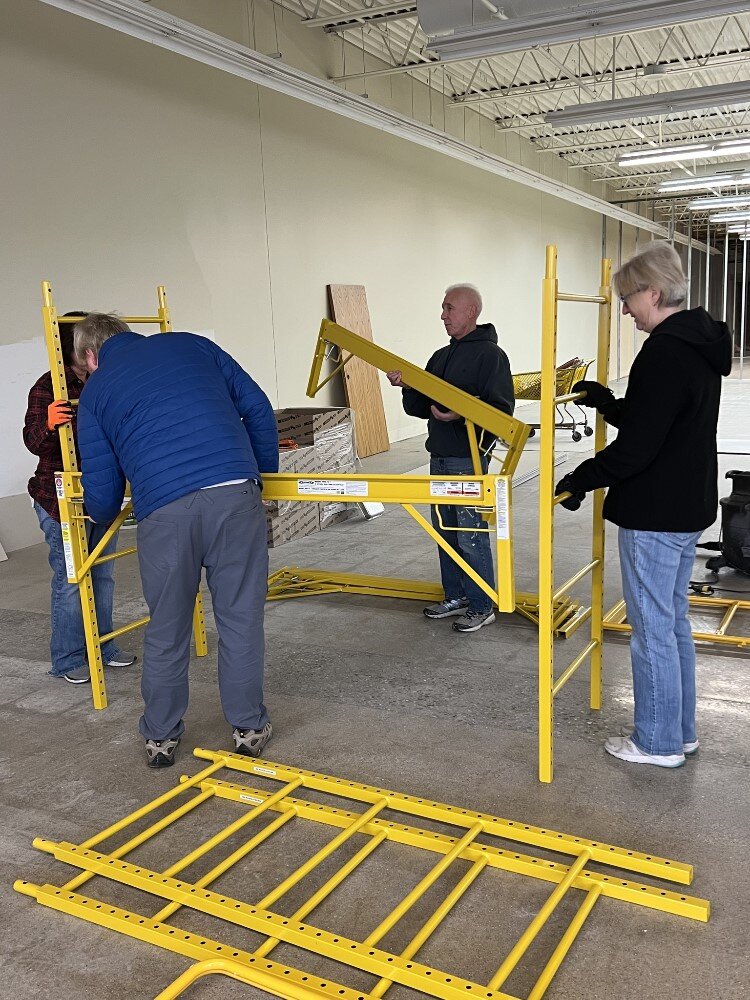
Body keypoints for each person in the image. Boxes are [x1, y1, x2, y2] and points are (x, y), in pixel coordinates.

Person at [73, 313, 279, 769]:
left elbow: (103, 493)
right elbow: (258, 407)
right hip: (234, 494)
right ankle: (247, 727)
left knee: (167, 627)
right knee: (241, 620)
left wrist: (104, 509)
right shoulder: (193, 345)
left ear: (91, 355)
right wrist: (260, 475)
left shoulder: (95, 393)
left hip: (164, 512)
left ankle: (161, 738)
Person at [555, 241, 731, 769]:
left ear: (653, 292)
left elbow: (636, 450)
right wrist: (607, 403)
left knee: (653, 628)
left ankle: (655, 743)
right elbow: (657, 418)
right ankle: (679, 733)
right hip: (686, 504)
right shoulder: (697, 344)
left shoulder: (664, 351)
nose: (626, 310)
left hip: (656, 512)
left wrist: (581, 478)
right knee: (672, 622)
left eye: (629, 298)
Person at [387, 284, 514, 634]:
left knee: (470, 534)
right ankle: (456, 595)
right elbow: (418, 409)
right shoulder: (440, 357)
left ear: (471, 312)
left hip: (468, 458)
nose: (443, 315)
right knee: (446, 533)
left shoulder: (491, 356)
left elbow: (502, 411)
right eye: (443, 309)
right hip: (439, 456)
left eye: (449, 308)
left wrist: (459, 413)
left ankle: (481, 604)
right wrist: (406, 387)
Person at [23, 313, 136, 684]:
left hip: (101, 493)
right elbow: (33, 444)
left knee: (102, 575)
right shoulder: (48, 386)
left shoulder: (106, 382)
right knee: (72, 579)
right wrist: (49, 424)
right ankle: (69, 660)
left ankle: (104, 647)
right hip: (58, 500)